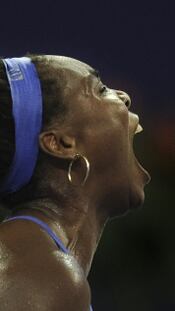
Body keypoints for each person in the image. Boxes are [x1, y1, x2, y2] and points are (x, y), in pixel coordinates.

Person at [0, 55, 151, 310]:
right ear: (60, 144)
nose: (124, 96)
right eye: (100, 89)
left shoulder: (35, 266)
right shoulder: (42, 277)